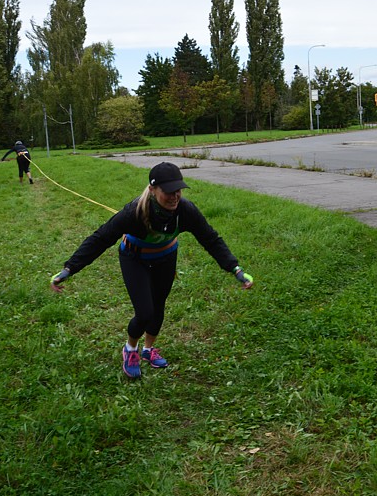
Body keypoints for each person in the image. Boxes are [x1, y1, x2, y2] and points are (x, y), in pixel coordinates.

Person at [49, 162, 253, 379]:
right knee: (145, 312)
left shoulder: (185, 211)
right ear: (153, 189)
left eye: (178, 190)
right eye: (168, 191)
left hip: (165, 258)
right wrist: (69, 268)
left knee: (158, 307)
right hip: (134, 259)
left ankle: (148, 350)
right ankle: (130, 349)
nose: (175, 196)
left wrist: (235, 269)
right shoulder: (133, 213)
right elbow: (100, 239)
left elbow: (210, 239)